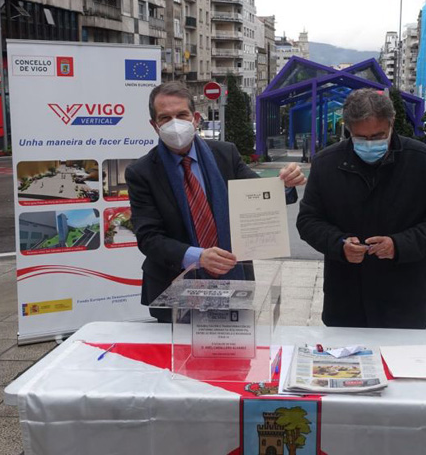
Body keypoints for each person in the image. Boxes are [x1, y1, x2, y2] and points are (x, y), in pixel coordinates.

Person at [126, 81, 306, 322]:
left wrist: (283, 184)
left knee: (233, 355)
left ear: (195, 118)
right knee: (176, 358)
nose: (175, 124)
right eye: (165, 118)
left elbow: (257, 194)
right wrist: (198, 256)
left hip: (233, 278)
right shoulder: (142, 172)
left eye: (181, 114)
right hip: (172, 288)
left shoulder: (225, 154)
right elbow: (148, 238)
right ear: (154, 125)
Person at [296, 88, 426, 329]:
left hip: (404, 299)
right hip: (346, 299)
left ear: (391, 124)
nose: (370, 144)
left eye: (378, 136)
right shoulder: (326, 163)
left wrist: (399, 245)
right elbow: (308, 220)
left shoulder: (424, 161)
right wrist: (339, 245)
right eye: (361, 138)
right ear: (348, 129)